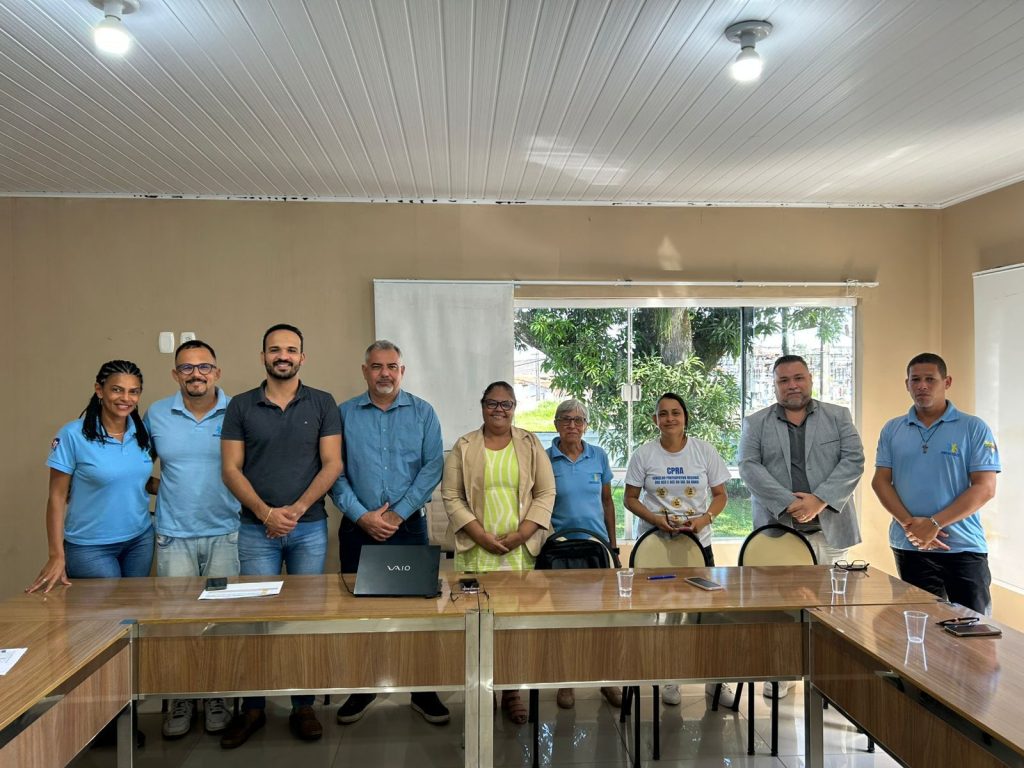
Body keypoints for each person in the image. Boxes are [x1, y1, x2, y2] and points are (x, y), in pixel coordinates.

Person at [218, 324, 343, 748]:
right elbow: (230, 469)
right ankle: (253, 709)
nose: (283, 356)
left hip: (308, 529)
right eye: (275, 349)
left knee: (303, 620)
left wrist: (297, 510)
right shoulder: (240, 406)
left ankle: (302, 706)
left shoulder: (322, 402)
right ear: (263, 357)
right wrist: (266, 513)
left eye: (291, 349)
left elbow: (332, 464)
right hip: (256, 531)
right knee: (257, 620)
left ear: (302, 357)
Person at [331, 340, 448, 726]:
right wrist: (362, 515)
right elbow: (333, 471)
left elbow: (432, 467)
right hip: (358, 528)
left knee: (417, 612)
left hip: (409, 527)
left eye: (392, 366)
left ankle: (423, 689)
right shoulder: (344, 414)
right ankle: (363, 687)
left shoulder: (423, 412)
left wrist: (398, 514)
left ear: (402, 371)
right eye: (377, 366)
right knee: (361, 612)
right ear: (365, 371)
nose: (385, 373)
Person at [739, 354, 864, 699]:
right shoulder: (756, 423)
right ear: (774, 385)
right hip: (780, 531)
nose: (792, 385)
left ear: (810, 379)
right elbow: (748, 467)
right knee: (782, 609)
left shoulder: (838, 416)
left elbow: (854, 460)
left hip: (830, 530)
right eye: (784, 380)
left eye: (798, 378)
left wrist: (819, 500)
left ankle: (831, 679)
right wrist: (789, 503)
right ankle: (782, 673)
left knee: (834, 609)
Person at [441, 381, 555, 724]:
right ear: (482, 406)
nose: (499, 410)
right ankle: (482, 688)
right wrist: (479, 534)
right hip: (475, 550)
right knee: (477, 622)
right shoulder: (464, 446)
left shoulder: (530, 444)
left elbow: (546, 493)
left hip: (519, 552)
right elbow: (451, 496)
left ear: (515, 407)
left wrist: (522, 534)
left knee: (513, 625)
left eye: (506, 404)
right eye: (492, 403)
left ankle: (511, 691)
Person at [144, 340, 240, 738]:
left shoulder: (238, 411)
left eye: (204, 367)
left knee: (221, 624)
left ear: (217, 372)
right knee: (176, 625)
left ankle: (216, 696)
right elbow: (133, 464)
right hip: (174, 537)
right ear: (175, 374)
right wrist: (164, 490)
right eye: (187, 367)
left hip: (225, 534)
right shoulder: (156, 414)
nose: (196, 374)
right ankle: (181, 698)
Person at [624, 392, 731, 708]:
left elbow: (721, 495)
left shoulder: (704, 451)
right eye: (663, 413)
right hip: (655, 547)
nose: (669, 418)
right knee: (667, 614)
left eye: (675, 413)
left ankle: (715, 680)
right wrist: (656, 519)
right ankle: (670, 676)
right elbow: (629, 499)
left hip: (699, 544)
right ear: (655, 420)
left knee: (707, 613)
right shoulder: (644, 454)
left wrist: (704, 519)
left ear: (685, 418)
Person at [872, 352, 999, 614]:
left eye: (930, 379)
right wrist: (911, 527)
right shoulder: (892, 429)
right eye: (915, 380)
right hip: (910, 547)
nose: (922, 386)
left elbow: (985, 488)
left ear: (947, 382)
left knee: (973, 630)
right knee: (918, 628)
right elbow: (881, 481)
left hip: (962, 547)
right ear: (907, 384)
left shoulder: (973, 428)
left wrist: (933, 524)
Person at [28, 360, 156, 594]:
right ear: (99, 390)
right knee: (105, 613)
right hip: (90, 547)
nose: (125, 398)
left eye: (133, 391)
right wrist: (56, 555)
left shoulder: (141, 433)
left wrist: (182, 487)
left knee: (133, 608)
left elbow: (134, 479)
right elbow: (56, 497)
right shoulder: (72, 435)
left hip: (140, 540)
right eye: (117, 389)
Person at [545, 398, 622, 710]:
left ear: (586, 426)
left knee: (602, 619)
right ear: (556, 424)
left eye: (578, 420)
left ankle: (606, 679)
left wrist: (613, 547)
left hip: (596, 549)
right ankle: (566, 681)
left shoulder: (598, 456)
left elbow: (607, 502)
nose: (572, 425)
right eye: (566, 419)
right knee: (565, 619)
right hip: (560, 549)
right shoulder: (545, 459)